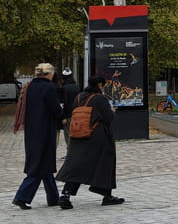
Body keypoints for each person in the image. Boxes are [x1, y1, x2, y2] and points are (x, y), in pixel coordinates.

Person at [56, 74, 123, 208]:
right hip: (96, 136)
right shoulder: (99, 98)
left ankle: (65, 195)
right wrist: (111, 111)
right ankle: (107, 196)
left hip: (78, 134)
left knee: (77, 164)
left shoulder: (79, 97)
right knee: (104, 163)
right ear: (100, 85)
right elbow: (108, 118)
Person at [13, 63, 64, 209]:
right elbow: (55, 109)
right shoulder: (48, 87)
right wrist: (61, 112)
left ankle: (53, 198)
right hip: (45, 129)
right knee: (39, 164)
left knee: (45, 164)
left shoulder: (29, 86)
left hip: (31, 130)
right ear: (49, 74)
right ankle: (22, 197)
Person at [60, 67, 81, 147]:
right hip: (77, 114)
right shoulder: (77, 86)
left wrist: (63, 116)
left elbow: (64, 103)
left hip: (68, 115)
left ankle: (70, 152)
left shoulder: (64, 88)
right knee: (76, 134)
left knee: (68, 134)